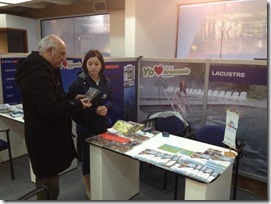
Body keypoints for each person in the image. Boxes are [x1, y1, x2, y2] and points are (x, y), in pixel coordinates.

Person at [15, 34, 92, 200]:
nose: (63, 59)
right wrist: (77, 106)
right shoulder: (37, 75)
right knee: (47, 186)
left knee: (50, 182)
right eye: (62, 54)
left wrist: (72, 98)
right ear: (50, 51)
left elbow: (53, 96)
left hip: (46, 138)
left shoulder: (43, 70)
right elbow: (51, 109)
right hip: (44, 141)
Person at [68, 50, 113, 200]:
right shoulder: (78, 84)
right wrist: (94, 111)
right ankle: (88, 186)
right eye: (89, 64)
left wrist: (107, 108)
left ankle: (103, 180)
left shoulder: (106, 80)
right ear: (85, 65)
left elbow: (111, 100)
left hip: (103, 126)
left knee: (102, 156)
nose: (92, 67)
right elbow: (75, 110)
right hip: (86, 127)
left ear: (101, 65)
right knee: (87, 158)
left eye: (96, 64)